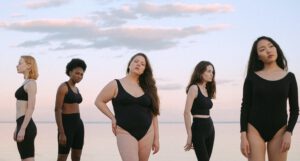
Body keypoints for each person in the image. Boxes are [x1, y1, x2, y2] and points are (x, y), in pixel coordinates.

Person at [240, 36, 299, 161]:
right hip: (254, 129)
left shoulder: (289, 77)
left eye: (271, 46)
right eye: (262, 49)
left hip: (280, 131)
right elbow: (245, 106)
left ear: (276, 49)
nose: (268, 50)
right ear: (258, 56)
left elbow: (295, 109)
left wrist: (289, 132)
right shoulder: (251, 77)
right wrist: (243, 136)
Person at [95, 53, 160, 161]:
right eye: (136, 61)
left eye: (142, 64)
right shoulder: (115, 84)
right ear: (129, 65)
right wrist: (112, 117)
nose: (138, 64)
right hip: (125, 131)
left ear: (144, 69)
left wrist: (157, 138)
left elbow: (154, 114)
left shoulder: (149, 88)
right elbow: (99, 101)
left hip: (147, 132)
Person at [55, 58, 87, 161]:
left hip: (78, 125)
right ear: (70, 72)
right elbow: (57, 110)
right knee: (62, 158)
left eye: (82, 74)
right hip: (66, 125)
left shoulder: (76, 89)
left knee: (77, 157)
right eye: (77, 73)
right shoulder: (63, 87)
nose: (80, 76)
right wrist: (61, 132)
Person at [183, 61, 216, 161]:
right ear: (201, 72)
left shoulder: (207, 89)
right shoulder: (194, 88)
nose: (212, 74)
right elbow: (186, 112)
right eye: (209, 71)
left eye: (213, 72)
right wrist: (189, 135)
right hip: (198, 129)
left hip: (210, 128)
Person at [14, 55, 38, 161]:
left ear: (28, 66)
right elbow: (20, 109)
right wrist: (17, 128)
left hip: (27, 127)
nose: (17, 65)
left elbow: (31, 108)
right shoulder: (25, 82)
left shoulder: (31, 83)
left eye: (20, 63)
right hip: (22, 124)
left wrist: (22, 129)